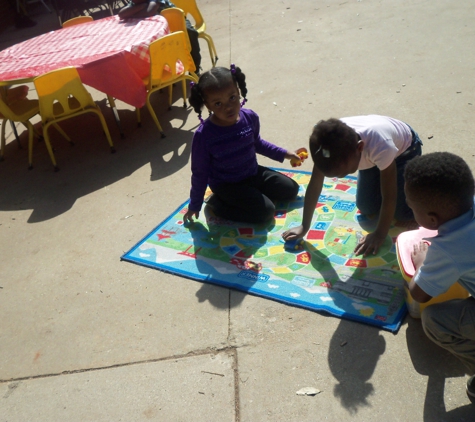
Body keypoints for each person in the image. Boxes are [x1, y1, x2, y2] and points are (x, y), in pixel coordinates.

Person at [282, 115, 423, 256]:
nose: (340, 177)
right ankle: (381, 172)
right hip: (373, 158)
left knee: (402, 213)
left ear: (359, 147)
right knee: (366, 207)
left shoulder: (380, 145)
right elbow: (315, 185)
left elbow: (389, 196)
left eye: (344, 173)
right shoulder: (325, 148)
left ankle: (423, 179)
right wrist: (304, 226)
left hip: (404, 151)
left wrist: (380, 234)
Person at [183, 64, 300, 225]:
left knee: (291, 189)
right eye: (218, 103)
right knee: (265, 212)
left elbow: (258, 143)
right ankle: (217, 204)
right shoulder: (204, 135)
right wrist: (194, 204)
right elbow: (199, 173)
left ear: (238, 92)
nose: (228, 107)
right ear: (208, 105)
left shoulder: (250, 117)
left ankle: (252, 195)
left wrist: (285, 153)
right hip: (227, 185)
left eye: (232, 98)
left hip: (252, 173)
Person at [404, 151, 475, 404]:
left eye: (412, 209)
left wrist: (422, 262)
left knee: (434, 320)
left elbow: (419, 293)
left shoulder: (449, 247)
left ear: (432, 219)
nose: (412, 213)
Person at [118, 0, 201, 72]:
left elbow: (149, 12)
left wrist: (133, 13)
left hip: (177, 20)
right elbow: (121, 14)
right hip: (158, 27)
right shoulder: (136, 2)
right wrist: (141, 6)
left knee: (190, 32)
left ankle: (196, 68)